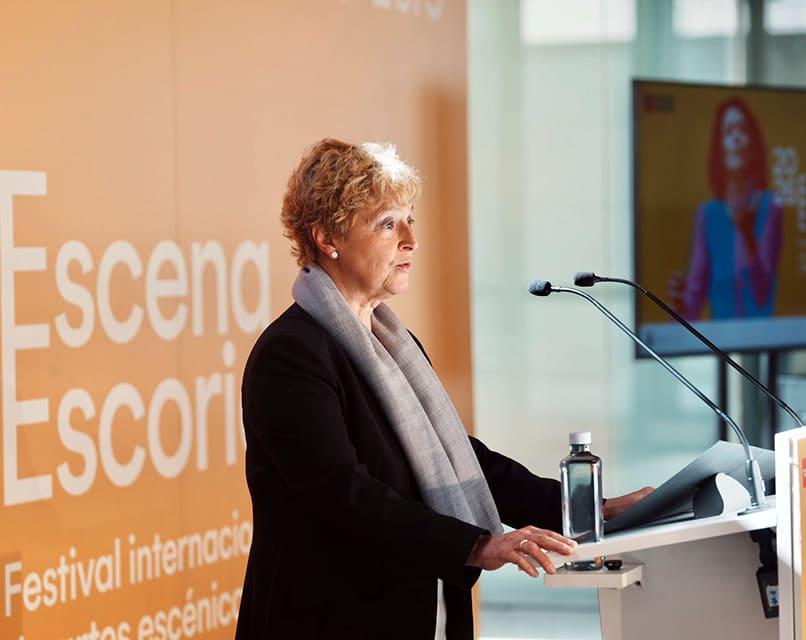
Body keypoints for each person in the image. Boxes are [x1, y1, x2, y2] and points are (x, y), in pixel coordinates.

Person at [235, 138, 653, 639]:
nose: (411, 239)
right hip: (334, 621)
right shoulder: (292, 354)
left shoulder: (392, 341)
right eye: (388, 224)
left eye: (410, 219)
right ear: (329, 238)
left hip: (422, 612)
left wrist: (586, 508)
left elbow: (460, 457)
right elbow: (343, 494)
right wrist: (475, 545)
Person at [668, 97, 783, 320]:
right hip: (719, 339)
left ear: (753, 142)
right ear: (720, 147)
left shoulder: (771, 205)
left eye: (743, 130)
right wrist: (678, 306)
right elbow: (694, 301)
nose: (736, 138)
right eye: (729, 131)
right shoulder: (708, 214)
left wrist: (748, 235)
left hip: (763, 332)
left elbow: (762, 294)